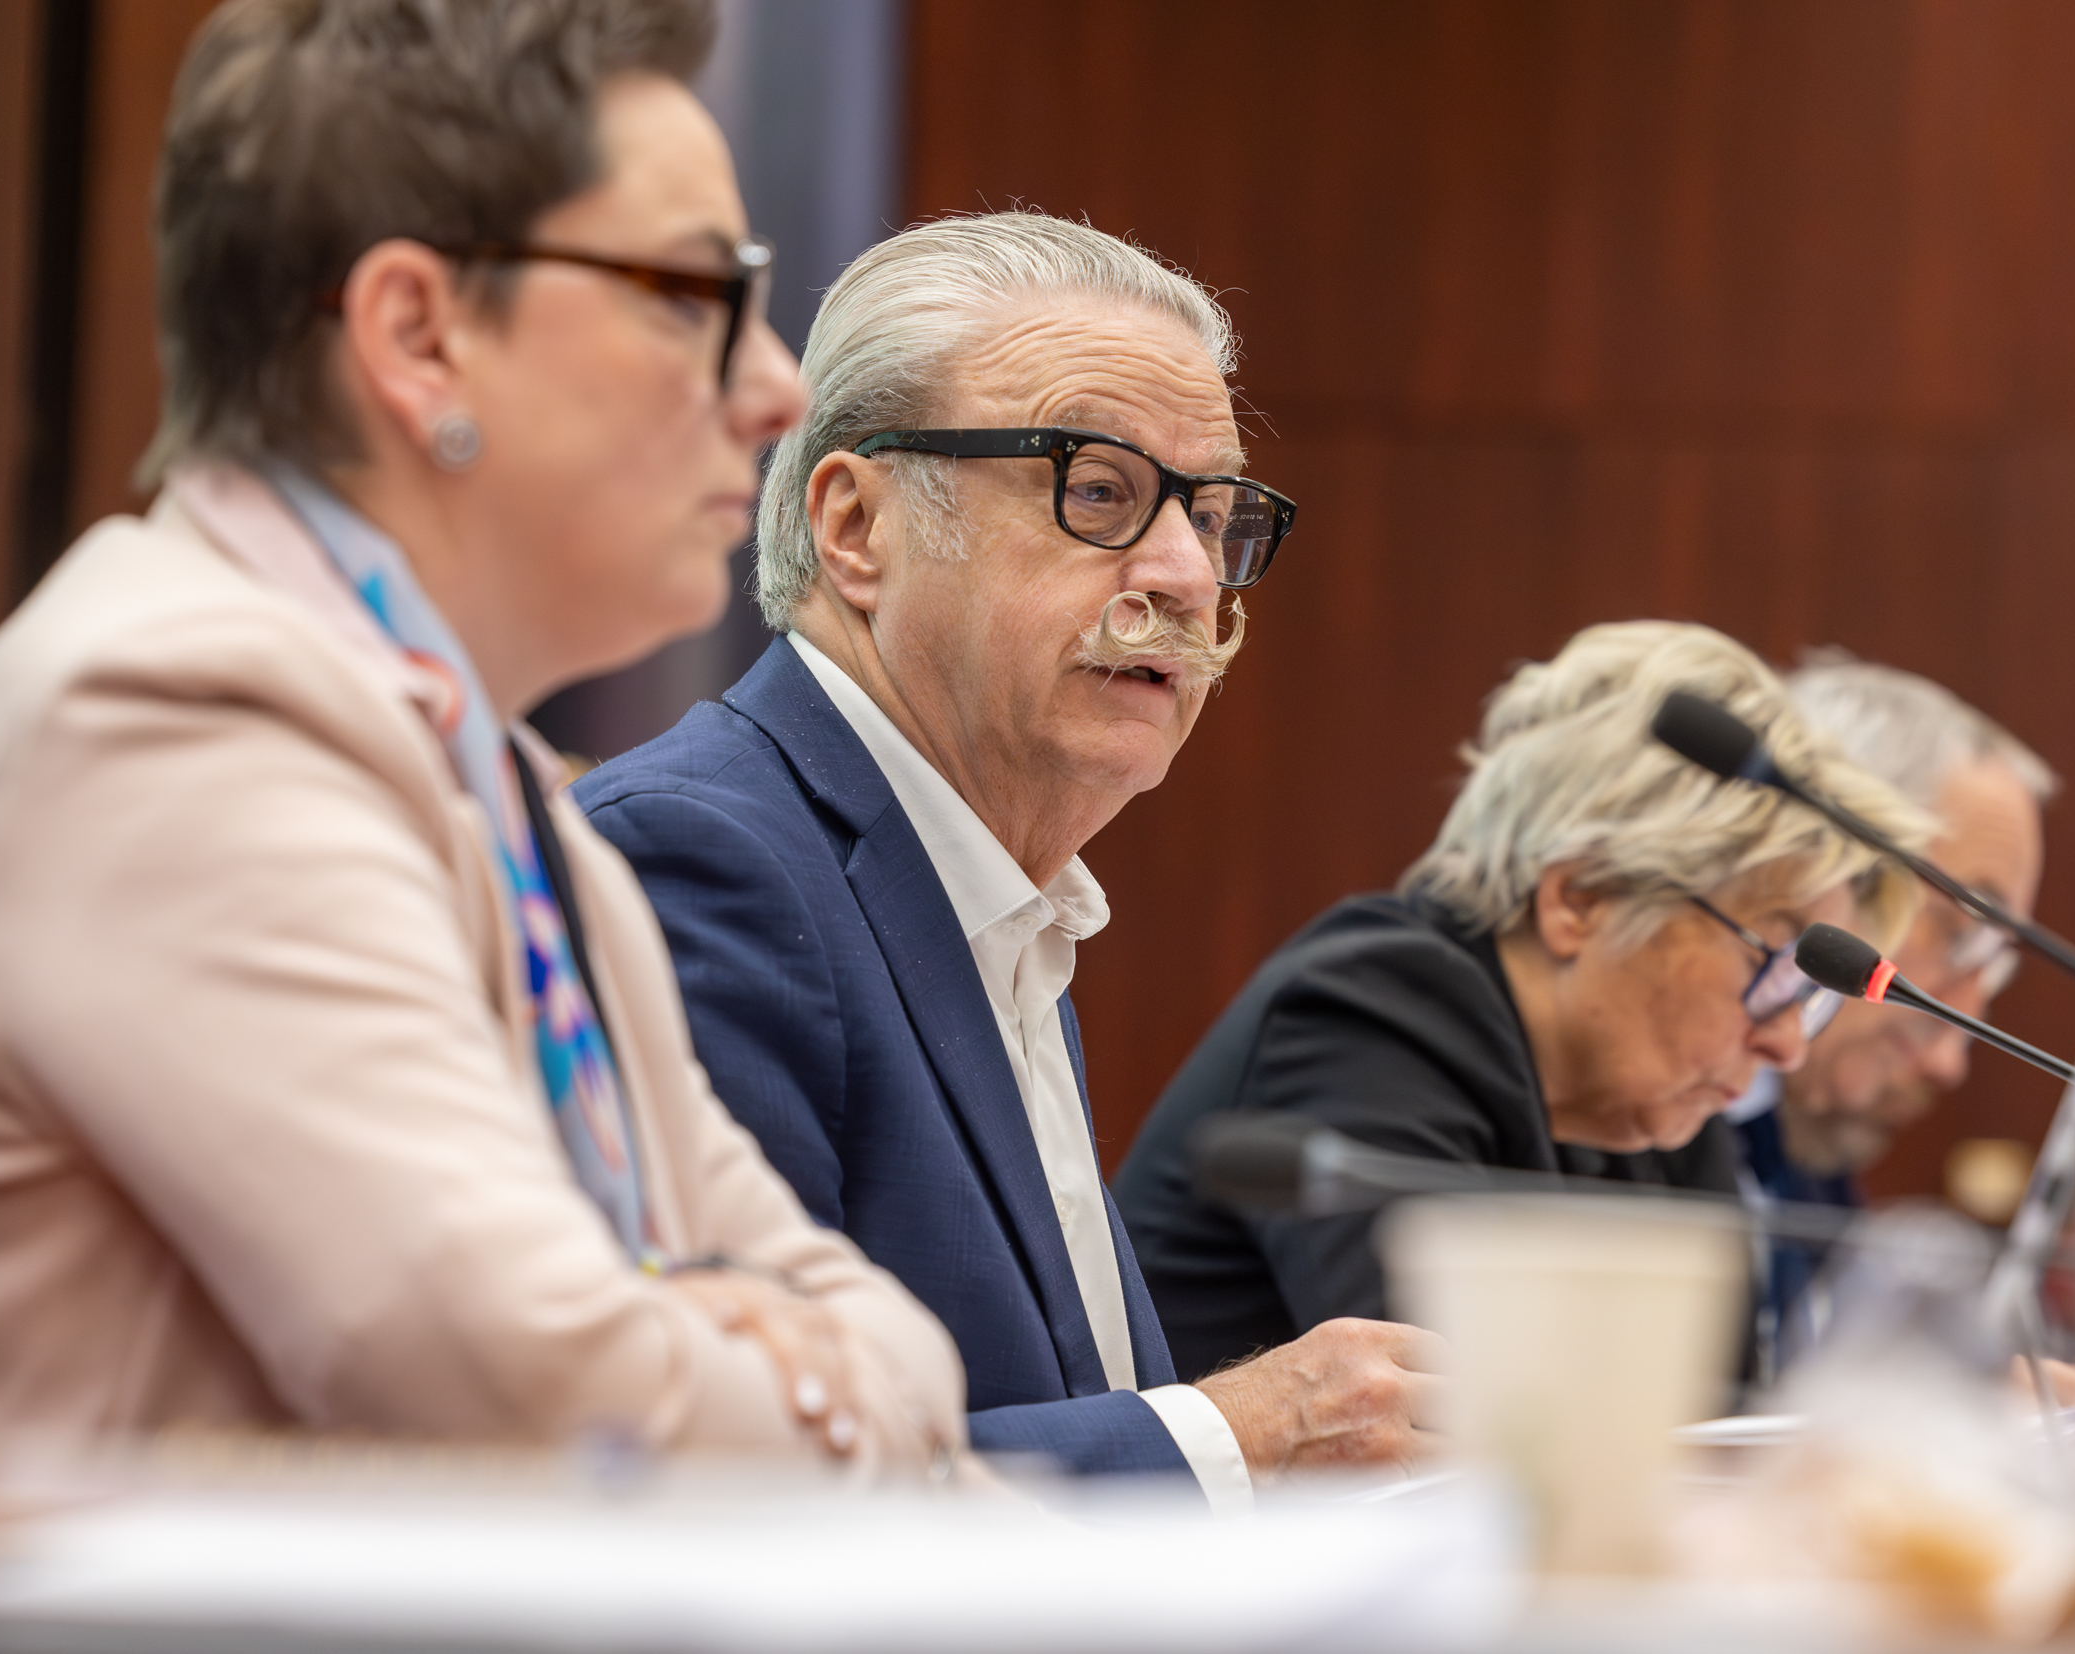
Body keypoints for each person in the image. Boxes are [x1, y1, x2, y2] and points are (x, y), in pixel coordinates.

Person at [0, 0, 967, 1535]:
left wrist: (769, 1355)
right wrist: (768, 1358)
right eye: (696, 293)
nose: (772, 388)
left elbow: (876, 1331)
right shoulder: (176, 716)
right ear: (418, 336)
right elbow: (553, 1394)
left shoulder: (500, 788)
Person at [578, 211, 1437, 1512]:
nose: (1188, 573)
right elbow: (734, 1486)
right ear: (857, 526)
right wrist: (1235, 1438)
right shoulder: (704, 860)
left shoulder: (993, 890)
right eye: (1098, 489)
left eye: (1214, 514)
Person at [1113, 621, 1934, 1383]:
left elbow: (1718, 1413)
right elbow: (1468, 1434)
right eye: (1774, 974)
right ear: (1579, 901)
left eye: (1811, 998)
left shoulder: (1648, 1101)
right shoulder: (1370, 1010)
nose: (1788, 1048)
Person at [1727, 653, 2053, 1369]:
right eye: (1957, 935)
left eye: (1991, 970)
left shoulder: (1808, 1161)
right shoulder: (1629, 1108)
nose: (1948, 1061)